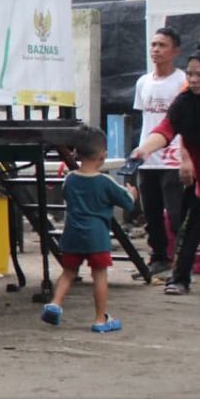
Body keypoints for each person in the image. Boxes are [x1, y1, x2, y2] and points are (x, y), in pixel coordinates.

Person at [134, 48, 200, 312]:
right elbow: (166, 129)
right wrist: (145, 150)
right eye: (191, 74)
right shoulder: (185, 103)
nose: (193, 80)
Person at [41, 126, 136, 332]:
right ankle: (101, 320)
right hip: (97, 238)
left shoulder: (70, 179)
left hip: (72, 235)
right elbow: (127, 203)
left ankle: (55, 304)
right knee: (99, 275)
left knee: (68, 273)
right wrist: (132, 194)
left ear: (76, 153)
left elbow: (66, 195)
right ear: (103, 154)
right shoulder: (105, 182)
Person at [131, 27, 186, 278]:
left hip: (174, 156)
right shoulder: (143, 82)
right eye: (153, 44)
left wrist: (187, 156)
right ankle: (159, 256)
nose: (156, 50)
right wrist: (140, 150)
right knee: (150, 211)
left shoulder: (183, 81)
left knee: (175, 212)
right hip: (148, 156)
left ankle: (183, 259)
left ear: (175, 51)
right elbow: (145, 119)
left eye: (162, 45)